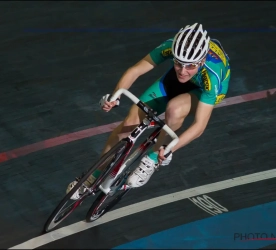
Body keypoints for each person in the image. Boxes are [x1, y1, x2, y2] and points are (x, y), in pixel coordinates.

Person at [67, 23, 231, 199]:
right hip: (172, 82)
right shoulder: (172, 46)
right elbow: (136, 70)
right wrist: (116, 96)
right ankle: (94, 175)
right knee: (129, 124)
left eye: (190, 66)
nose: (183, 71)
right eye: (178, 63)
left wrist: (170, 149)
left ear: (202, 61)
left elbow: (199, 126)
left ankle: (152, 159)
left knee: (174, 110)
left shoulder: (212, 77)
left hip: (203, 91)